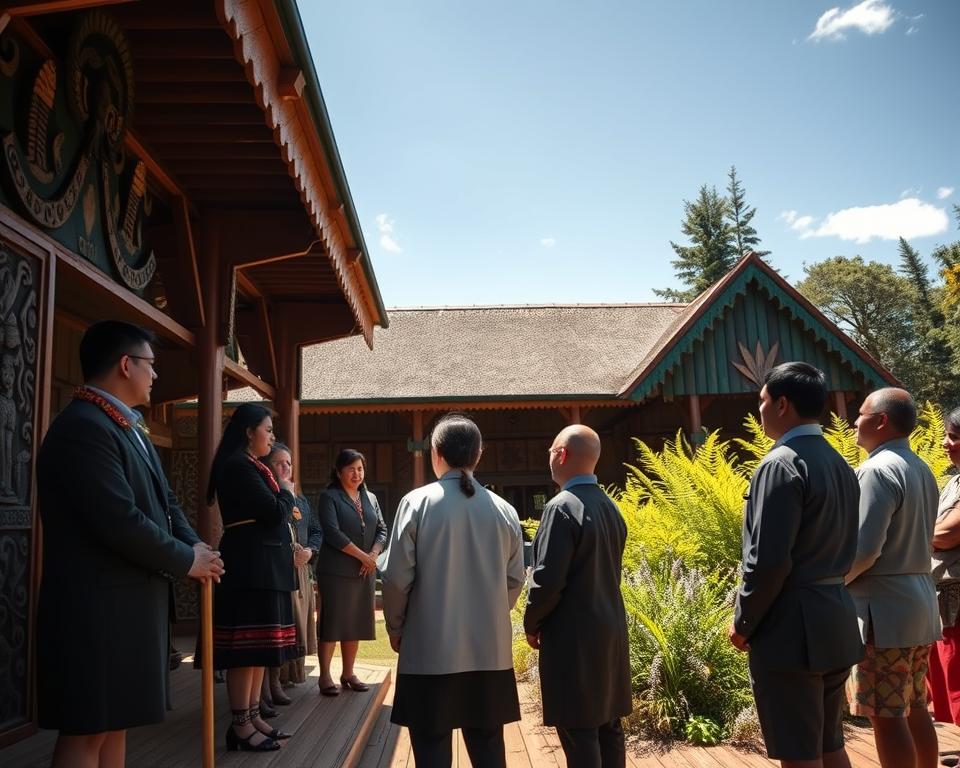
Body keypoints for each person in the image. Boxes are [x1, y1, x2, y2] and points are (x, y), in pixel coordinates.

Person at [36, 320, 224, 768]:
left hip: (125, 606)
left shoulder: (125, 426)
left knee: (115, 723)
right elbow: (119, 520)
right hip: (95, 608)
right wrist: (185, 560)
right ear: (125, 364)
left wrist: (197, 546)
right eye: (150, 365)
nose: (155, 375)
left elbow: (165, 503)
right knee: (88, 731)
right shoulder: (84, 427)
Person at [729, 361, 863, 768]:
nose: (760, 410)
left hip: (791, 627)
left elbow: (767, 562)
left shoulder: (780, 463)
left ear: (782, 403)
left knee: (798, 753)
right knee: (829, 743)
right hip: (836, 614)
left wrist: (744, 620)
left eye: (763, 400)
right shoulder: (839, 463)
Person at [380, 413, 525, 768]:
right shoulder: (504, 510)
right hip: (488, 650)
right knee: (489, 747)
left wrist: (396, 627)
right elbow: (515, 579)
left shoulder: (417, 503)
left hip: (429, 648)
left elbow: (397, 577)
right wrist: (490, 611)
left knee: (430, 747)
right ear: (479, 453)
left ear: (436, 452)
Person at [523, 424, 631, 768]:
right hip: (610, 628)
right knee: (608, 725)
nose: (550, 457)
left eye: (551, 450)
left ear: (562, 454)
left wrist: (532, 621)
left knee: (579, 728)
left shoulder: (561, 508)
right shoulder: (609, 507)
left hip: (574, 634)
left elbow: (547, 581)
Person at [846, 388, 941, 768]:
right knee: (915, 706)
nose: (855, 421)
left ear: (881, 421)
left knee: (886, 716)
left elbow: (864, 549)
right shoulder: (921, 467)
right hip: (919, 600)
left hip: (884, 610)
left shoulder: (876, 469)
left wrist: (836, 580)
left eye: (862, 414)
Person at [207, 404, 299, 752]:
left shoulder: (252, 466)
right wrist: (287, 491)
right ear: (249, 431)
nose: (272, 436)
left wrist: (282, 494)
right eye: (268, 429)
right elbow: (275, 513)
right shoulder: (236, 466)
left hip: (264, 564)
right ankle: (240, 725)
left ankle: (253, 715)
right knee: (246, 649)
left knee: (260, 648)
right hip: (250, 564)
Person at [315, 448, 388, 695]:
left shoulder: (371, 498)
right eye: (351, 469)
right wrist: (364, 557)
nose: (357, 474)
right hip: (336, 571)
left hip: (364, 572)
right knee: (333, 622)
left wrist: (374, 556)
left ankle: (349, 672)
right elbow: (333, 533)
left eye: (360, 468)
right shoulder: (330, 497)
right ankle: (325, 676)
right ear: (339, 471)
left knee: (355, 622)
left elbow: (382, 530)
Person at [264, 442, 322, 700]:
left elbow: (317, 531)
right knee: (280, 626)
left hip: (301, 571)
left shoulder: (299, 499)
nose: (285, 468)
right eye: (279, 463)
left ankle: (291, 676)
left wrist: (310, 551)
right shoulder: (267, 496)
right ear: (267, 466)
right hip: (278, 571)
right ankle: (273, 681)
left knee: (298, 626)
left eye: (289, 463)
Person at [929, 407, 960, 728]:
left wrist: (913, 533)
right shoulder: (954, 483)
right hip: (944, 603)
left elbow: (947, 534)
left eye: (954, 437)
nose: (945, 443)